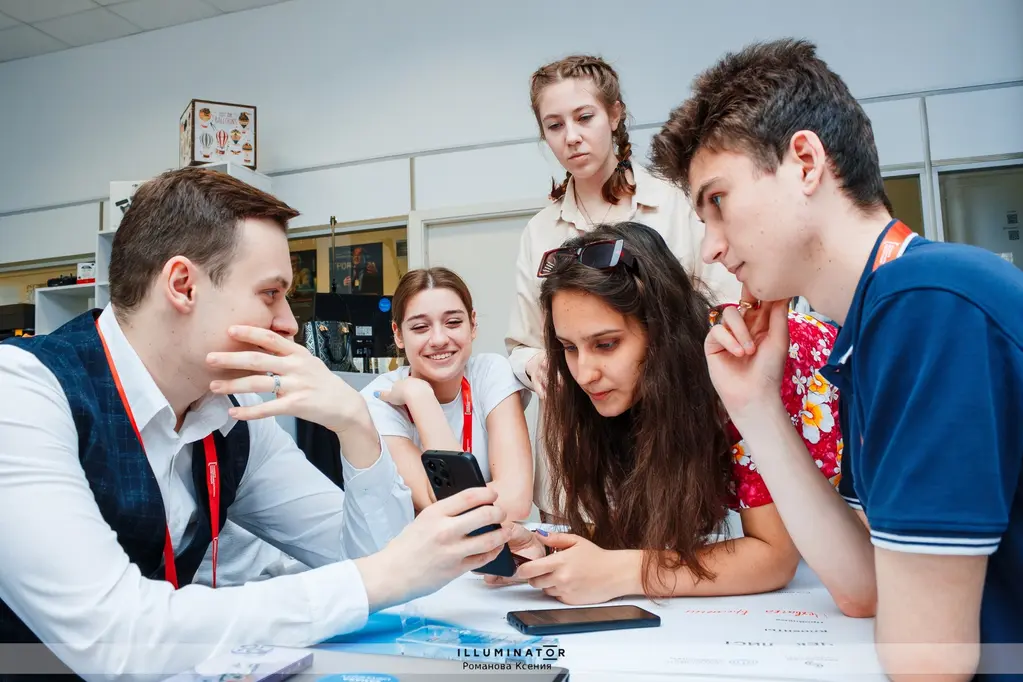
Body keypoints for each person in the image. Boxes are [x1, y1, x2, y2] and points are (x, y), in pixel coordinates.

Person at [0, 168, 511, 680]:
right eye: (270, 294)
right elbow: (114, 637)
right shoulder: (22, 391)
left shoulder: (231, 412)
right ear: (183, 285)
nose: (289, 323)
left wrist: (356, 426)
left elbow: (372, 559)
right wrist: (381, 576)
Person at [649, 38, 1022, 680]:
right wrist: (755, 406)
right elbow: (863, 588)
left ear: (805, 161)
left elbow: (928, 661)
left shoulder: (928, 304)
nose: (710, 248)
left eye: (718, 202)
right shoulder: (874, 322)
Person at [490, 222, 841, 606]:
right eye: (569, 348)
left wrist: (623, 573)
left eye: (606, 344)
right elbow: (652, 534)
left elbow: (774, 556)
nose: (584, 374)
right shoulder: (639, 391)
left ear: (661, 331)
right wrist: (547, 551)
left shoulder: (747, 358)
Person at [505, 54, 741, 516]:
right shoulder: (540, 232)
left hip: (669, 443)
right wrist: (538, 364)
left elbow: (725, 314)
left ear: (615, 115)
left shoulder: (675, 206)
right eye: (554, 125)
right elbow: (521, 343)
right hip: (576, 458)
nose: (571, 136)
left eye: (584, 117)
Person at [363, 268, 533, 521]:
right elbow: (449, 506)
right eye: (420, 327)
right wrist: (420, 397)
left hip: (493, 541)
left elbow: (517, 500)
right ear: (398, 334)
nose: (439, 339)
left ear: (473, 324)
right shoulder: (378, 400)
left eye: (453, 322)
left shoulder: (491, 372)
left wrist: (420, 397)